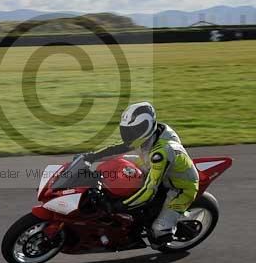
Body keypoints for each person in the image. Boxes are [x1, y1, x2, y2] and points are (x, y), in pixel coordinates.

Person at [83, 102, 200, 244]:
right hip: (152, 165)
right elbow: (119, 148)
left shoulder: (161, 152)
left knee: (158, 233)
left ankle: (167, 231)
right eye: (127, 130)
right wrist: (91, 156)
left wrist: (119, 206)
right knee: (117, 162)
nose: (129, 134)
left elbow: (149, 191)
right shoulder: (150, 132)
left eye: (134, 130)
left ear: (146, 127)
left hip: (179, 187)